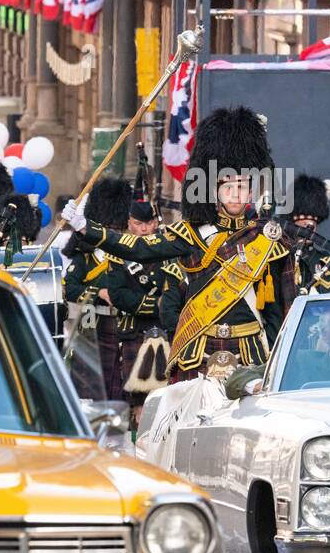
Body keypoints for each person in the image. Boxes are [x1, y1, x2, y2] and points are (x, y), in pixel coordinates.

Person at [62, 106, 294, 382]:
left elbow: (281, 310)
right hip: (199, 350)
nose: (235, 194)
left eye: (242, 187)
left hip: (251, 354)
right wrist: (86, 228)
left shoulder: (268, 240)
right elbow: (138, 247)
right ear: (214, 190)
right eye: (228, 186)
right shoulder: (190, 233)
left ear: (252, 190)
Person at [63, 177, 132, 400]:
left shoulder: (129, 254)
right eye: (108, 228)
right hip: (93, 327)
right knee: (91, 389)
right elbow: (70, 288)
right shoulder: (85, 258)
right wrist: (98, 293)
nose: (113, 233)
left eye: (116, 228)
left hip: (124, 328)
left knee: (120, 388)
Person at [106, 196, 172, 426]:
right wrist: (157, 306)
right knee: (139, 402)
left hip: (166, 331)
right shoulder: (118, 253)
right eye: (137, 223)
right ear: (128, 223)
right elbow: (118, 294)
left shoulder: (169, 249)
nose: (144, 229)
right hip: (134, 331)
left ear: (156, 222)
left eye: (148, 222)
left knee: (168, 396)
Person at [284, 174, 330, 295]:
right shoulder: (283, 257)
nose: (309, 227)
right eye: (304, 224)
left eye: (312, 224)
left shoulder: (328, 260)